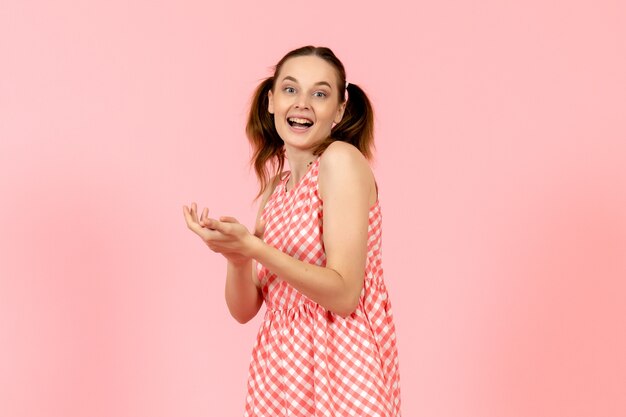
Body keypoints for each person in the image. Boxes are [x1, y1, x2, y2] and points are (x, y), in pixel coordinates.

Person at [183, 45, 401, 417]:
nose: (302, 103)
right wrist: (236, 257)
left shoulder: (341, 162)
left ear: (340, 110)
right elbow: (244, 311)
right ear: (271, 101)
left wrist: (255, 249)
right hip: (281, 374)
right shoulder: (276, 192)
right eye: (290, 89)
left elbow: (345, 294)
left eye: (320, 93)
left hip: (343, 369)